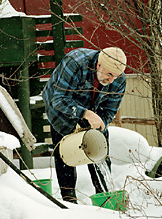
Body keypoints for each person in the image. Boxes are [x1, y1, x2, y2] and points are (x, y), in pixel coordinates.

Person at [42, 47, 127, 203]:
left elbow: (109, 111)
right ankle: (69, 201)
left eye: (116, 76)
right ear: (99, 65)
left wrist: (97, 127)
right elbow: (59, 100)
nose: (112, 81)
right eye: (109, 75)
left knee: (99, 153)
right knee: (65, 155)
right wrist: (86, 114)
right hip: (60, 109)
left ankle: (104, 199)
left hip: (94, 110)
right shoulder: (75, 63)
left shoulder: (119, 80)